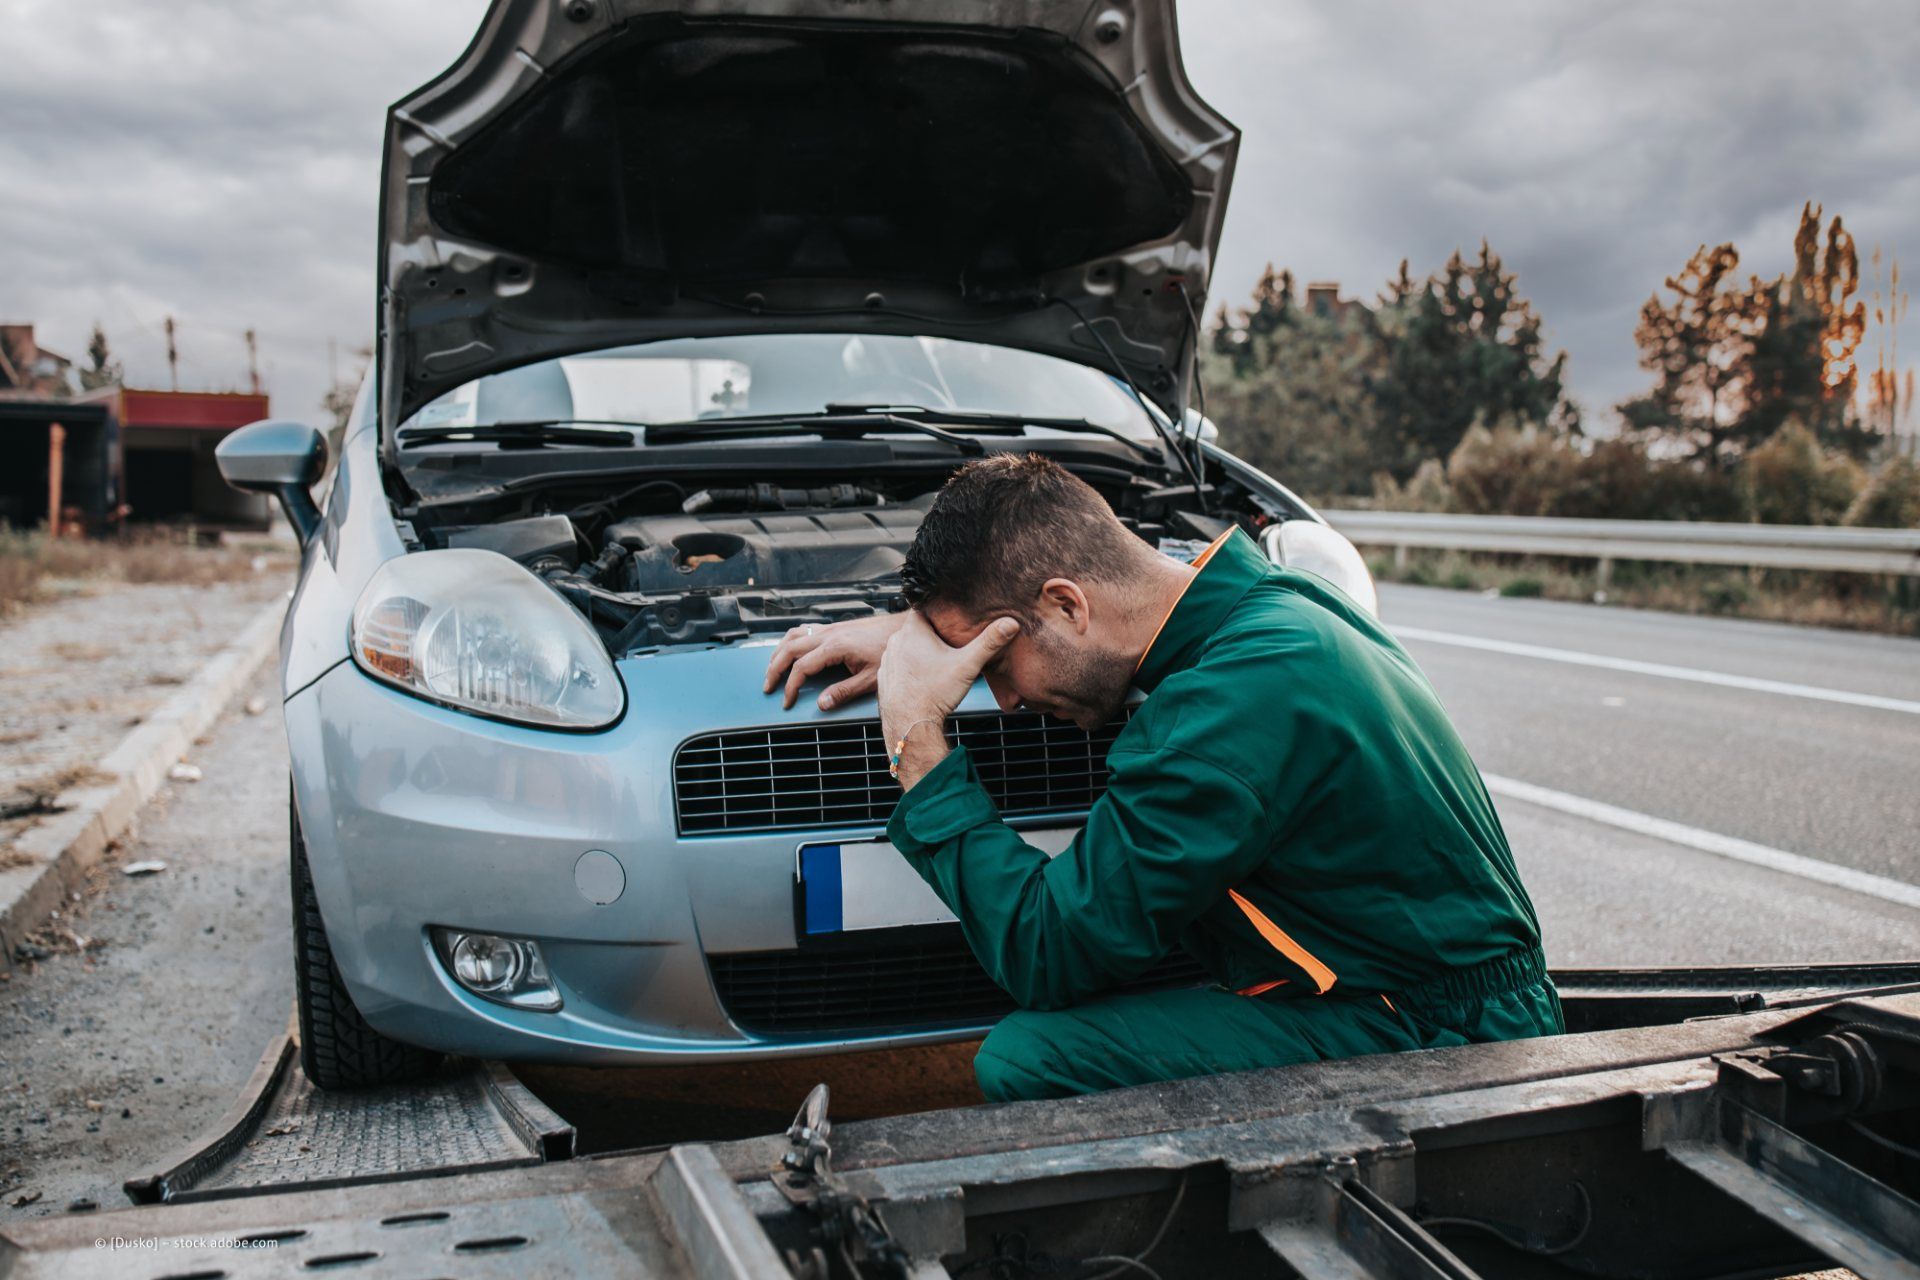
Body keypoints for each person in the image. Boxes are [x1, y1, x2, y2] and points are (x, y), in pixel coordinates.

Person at [762, 454, 1561, 1102]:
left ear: (1069, 605)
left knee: (1029, 1056)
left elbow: (1049, 954)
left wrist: (919, 749)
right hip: (1437, 984)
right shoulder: (1278, 606)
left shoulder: (1224, 708)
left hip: (1437, 1034)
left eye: (997, 661)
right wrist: (913, 632)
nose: (1001, 699)